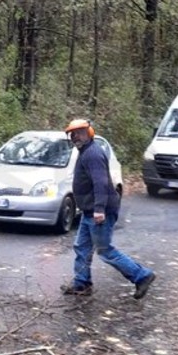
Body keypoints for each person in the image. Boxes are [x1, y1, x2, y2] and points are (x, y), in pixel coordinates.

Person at [61, 118, 157, 299]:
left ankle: (142, 276)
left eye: (79, 132)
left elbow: (101, 183)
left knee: (105, 251)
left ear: (89, 133)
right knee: (81, 247)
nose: (75, 137)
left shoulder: (93, 154)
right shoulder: (85, 151)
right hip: (90, 211)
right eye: (72, 134)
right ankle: (81, 284)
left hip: (99, 211)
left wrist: (99, 209)